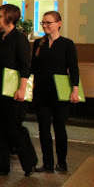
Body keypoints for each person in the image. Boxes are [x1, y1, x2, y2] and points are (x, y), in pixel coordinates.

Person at [0, 4, 38, 176]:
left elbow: (25, 67)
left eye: (0, 15)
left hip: (14, 90)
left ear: (10, 17)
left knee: (13, 126)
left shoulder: (19, 38)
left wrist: (22, 89)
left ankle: (29, 162)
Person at [31, 11, 79, 173]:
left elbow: (73, 69)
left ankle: (62, 162)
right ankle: (47, 163)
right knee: (43, 128)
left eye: (48, 23)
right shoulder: (39, 44)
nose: (45, 25)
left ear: (58, 23)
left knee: (59, 127)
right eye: (43, 23)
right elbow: (33, 68)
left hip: (60, 91)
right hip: (42, 91)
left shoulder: (67, 44)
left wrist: (75, 90)